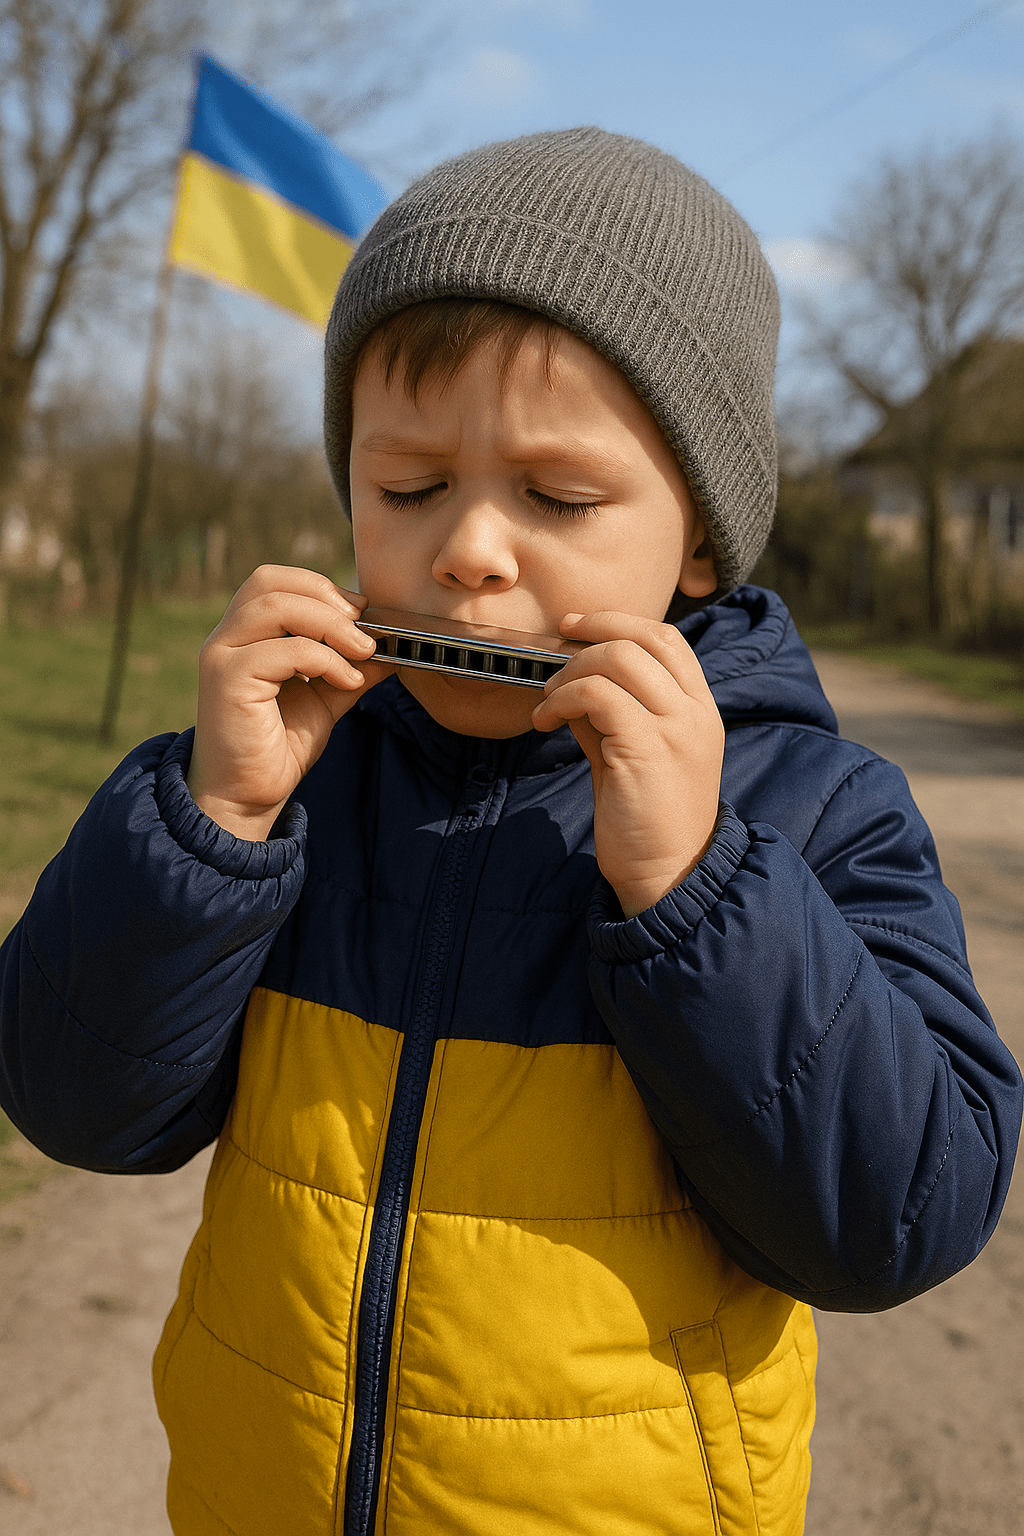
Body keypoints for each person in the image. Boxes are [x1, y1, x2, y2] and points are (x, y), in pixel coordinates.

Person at [1, 128, 1021, 1536]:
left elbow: (899, 1216)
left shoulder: (811, 811)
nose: (469, 549)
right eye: (408, 487)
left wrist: (696, 889)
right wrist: (212, 827)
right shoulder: (289, 780)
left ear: (703, 542)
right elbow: (73, 1105)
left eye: (558, 496)